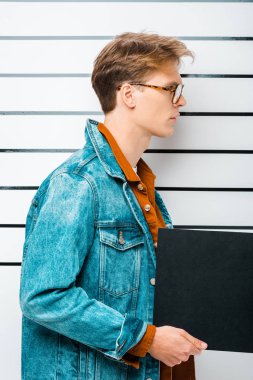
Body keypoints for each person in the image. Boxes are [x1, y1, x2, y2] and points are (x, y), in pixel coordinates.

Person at [19, 31, 208, 380]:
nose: (180, 102)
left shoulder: (143, 190)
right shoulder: (77, 183)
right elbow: (42, 297)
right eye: (170, 89)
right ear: (129, 94)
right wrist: (147, 340)